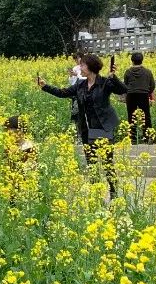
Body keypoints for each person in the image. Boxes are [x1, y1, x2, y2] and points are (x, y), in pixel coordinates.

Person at [36, 53, 126, 199]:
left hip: (104, 127)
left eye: (82, 65)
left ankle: (113, 193)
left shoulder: (104, 82)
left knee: (107, 163)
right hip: (87, 129)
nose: (80, 67)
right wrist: (45, 86)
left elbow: (122, 90)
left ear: (90, 67)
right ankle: (95, 194)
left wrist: (113, 76)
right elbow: (63, 92)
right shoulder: (80, 84)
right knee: (91, 163)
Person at [123, 52, 156, 144]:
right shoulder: (147, 72)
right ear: (142, 60)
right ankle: (148, 137)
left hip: (131, 95)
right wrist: (147, 92)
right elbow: (152, 85)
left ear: (132, 61)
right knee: (146, 117)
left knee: (131, 116)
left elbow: (125, 84)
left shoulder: (128, 72)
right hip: (143, 95)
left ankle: (132, 139)